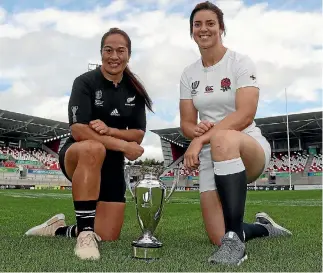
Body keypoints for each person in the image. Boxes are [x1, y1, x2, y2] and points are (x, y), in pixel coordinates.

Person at [24, 27, 153, 260]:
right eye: (108, 50)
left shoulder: (134, 91)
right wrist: (123, 146)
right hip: (78, 155)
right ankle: (84, 235)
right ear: (101, 53)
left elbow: (138, 135)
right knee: (94, 147)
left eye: (120, 51)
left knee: (109, 234)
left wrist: (111, 130)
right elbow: (79, 130)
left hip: (112, 164)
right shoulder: (84, 82)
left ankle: (60, 228)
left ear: (129, 55)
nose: (114, 56)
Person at [179, 1, 292, 266]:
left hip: (247, 145)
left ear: (221, 28)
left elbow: (245, 115)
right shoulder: (188, 73)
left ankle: (235, 244)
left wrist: (201, 138)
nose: (203, 29)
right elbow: (186, 123)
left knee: (223, 137)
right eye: (198, 24)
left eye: (210, 23)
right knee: (216, 236)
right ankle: (262, 227)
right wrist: (195, 131)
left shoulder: (240, 62)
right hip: (211, 153)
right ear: (191, 30)